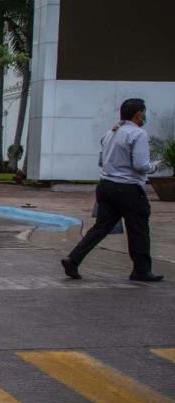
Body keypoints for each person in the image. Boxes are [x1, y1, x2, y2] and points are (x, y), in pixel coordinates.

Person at [62, 98, 163, 282]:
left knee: (101, 227)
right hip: (128, 188)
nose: (145, 116)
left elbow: (102, 160)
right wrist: (154, 167)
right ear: (138, 113)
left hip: (106, 185)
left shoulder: (112, 132)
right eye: (144, 112)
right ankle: (141, 270)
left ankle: (73, 259)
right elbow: (141, 165)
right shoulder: (138, 134)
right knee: (138, 228)